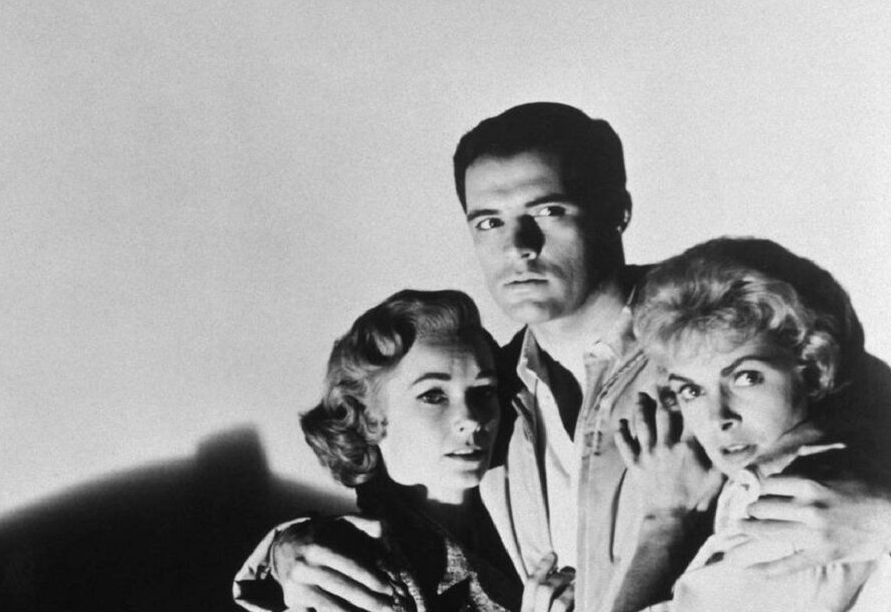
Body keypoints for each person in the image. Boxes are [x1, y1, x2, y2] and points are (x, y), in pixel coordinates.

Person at [233, 102, 891, 612]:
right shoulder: (486, 394)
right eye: (488, 220)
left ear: (617, 212)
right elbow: (402, 513)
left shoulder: (722, 337)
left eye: (548, 210)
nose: (518, 244)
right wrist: (287, 548)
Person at [614, 237, 891, 611]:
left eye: (746, 378)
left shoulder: (803, 504)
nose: (718, 417)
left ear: (813, 369)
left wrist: (662, 521)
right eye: (692, 391)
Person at [286, 288, 566, 611]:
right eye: (433, 396)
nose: (471, 419)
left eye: (484, 391)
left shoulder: (532, 495)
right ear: (368, 417)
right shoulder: (358, 568)